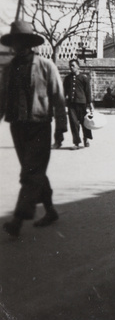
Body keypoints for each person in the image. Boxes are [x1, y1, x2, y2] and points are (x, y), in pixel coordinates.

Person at [0, 20, 68, 237]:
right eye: (15, 42)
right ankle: (50, 211)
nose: (18, 46)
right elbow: (2, 98)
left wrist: (61, 127)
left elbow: (58, 98)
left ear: (29, 43)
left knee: (30, 172)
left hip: (39, 126)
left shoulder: (46, 66)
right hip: (17, 126)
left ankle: (18, 220)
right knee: (35, 171)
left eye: (22, 42)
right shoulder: (9, 69)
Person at [56, 58, 94, 150]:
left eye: (73, 66)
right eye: (70, 66)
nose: (71, 67)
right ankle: (76, 142)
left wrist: (90, 104)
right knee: (73, 123)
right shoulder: (67, 78)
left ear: (78, 67)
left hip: (82, 104)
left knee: (85, 123)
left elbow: (88, 92)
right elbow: (64, 92)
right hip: (71, 104)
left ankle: (86, 139)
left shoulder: (84, 78)